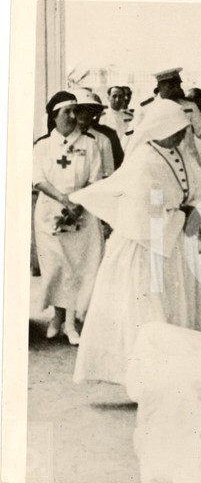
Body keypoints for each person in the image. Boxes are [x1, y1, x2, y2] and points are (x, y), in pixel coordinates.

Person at [70, 99, 201, 385]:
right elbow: (142, 213)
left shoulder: (180, 153)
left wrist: (196, 212)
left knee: (178, 305)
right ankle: (145, 378)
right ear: (160, 127)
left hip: (174, 243)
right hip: (145, 248)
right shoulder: (143, 160)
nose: (180, 136)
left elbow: (198, 190)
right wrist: (183, 214)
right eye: (176, 130)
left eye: (183, 130)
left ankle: (177, 372)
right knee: (145, 310)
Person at [32, 91, 104, 344]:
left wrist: (78, 205)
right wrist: (64, 201)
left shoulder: (90, 144)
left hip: (82, 213)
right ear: (54, 116)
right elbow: (38, 178)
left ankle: (71, 324)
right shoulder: (42, 145)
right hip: (50, 214)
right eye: (67, 112)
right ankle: (56, 317)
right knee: (56, 267)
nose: (73, 117)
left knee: (78, 268)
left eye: (76, 111)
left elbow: (95, 178)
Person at [131, 68, 201, 171]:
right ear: (159, 86)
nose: (176, 89)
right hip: (159, 165)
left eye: (178, 85)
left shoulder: (189, 106)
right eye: (171, 86)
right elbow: (136, 138)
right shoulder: (146, 108)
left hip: (188, 164)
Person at [71, 89, 116, 178]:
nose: (85, 114)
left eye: (89, 110)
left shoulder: (102, 140)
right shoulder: (62, 137)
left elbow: (108, 172)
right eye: (80, 110)